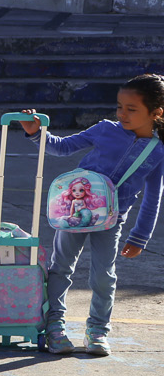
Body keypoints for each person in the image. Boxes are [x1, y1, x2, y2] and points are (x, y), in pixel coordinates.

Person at [21, 76, 163, 357]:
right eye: (120, 106)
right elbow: (61, 147)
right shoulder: (105, 129)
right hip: (72, 214)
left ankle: (97, 330)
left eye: (131, 109)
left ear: (157, 112)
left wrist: (140, 236)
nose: (122, 114)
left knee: (103, 276)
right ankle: (54, 328)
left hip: (112, 220)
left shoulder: (158, 150)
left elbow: (153, 196)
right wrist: (36, 133)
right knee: (60, 268)